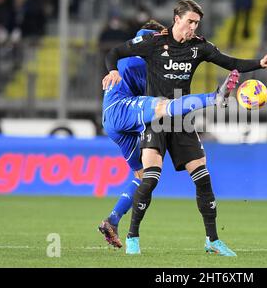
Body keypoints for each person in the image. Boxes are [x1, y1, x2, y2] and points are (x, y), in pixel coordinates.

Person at [104, 0, 267, 256]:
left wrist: (259, 64)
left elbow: (230, 61)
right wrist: (112, 71)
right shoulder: (155, 43)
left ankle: (212, 240)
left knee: (203, 177)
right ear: (176, 19)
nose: (193, 28)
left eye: (197, 23)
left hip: (183, 121)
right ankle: (133, 237)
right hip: (155, 120)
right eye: (190, 22)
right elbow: (115, 52)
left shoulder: (199, 47)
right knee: (150, 178)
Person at [98, 19, 241, 248]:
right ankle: (214, 97)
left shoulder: (133, 53)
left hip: (113, 121)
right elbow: (164, 94)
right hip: (123, 108)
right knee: (164, 104)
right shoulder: (145, 59)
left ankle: (113, 220)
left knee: (142, 175)